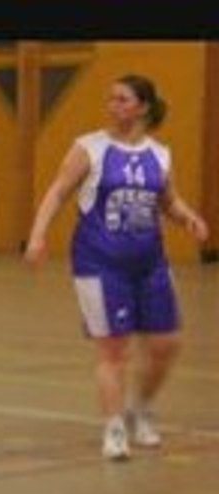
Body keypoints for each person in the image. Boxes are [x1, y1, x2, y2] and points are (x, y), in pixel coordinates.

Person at [24, 74, 208, 461]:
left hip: (150, 263)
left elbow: (168, 201)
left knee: (165, 344)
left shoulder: (159, 153)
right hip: (100, 262)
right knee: (114, 350)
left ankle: (139, 408)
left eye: (123, 100)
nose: (114, 106)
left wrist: (188, 216)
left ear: (142, 106)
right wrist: (38, 235)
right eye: (111, 99)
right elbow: (57, 192)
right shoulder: (89, 147)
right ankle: (113, 429)